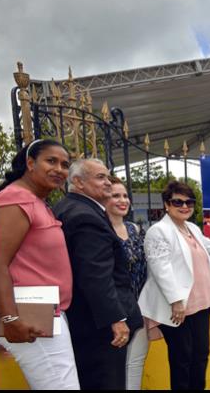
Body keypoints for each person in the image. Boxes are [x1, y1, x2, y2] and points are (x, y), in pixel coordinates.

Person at [138, 181, 210, 390]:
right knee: (182, 359)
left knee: (201, 355)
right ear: (167, 205)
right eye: (177, 202)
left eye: (189, 202)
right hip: (177, 308)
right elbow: (161, 268)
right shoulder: (158, 231)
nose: (184, 206)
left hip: (201, 304)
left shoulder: (192, 228)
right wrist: (176, 301)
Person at [0, 139, 79, 389]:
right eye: (51, 161)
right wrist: (10, 319)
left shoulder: (34, 201)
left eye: (65, 165)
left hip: (45, 312)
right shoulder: (15, 200)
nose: (59, 169)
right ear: (30, 163)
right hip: (28, 315)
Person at [54, 158, 143, 389]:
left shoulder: (72, 207)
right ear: (78, 182)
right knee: (107, 381)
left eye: (108, 176)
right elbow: (95, 275)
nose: (108, 183)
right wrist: (115, 318)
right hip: (99, 326)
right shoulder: (85, 216)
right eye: (100, 177)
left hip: (86, 320)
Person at [105, 175, 150, 390]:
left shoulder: (135, 229)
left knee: (135, 362)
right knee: (112, 368)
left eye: (125, 195)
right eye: (116, 196)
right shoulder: (99, 230)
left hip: (139, 306)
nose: (123, 200)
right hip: (112, 310)